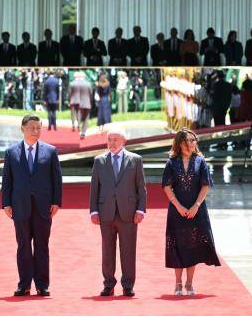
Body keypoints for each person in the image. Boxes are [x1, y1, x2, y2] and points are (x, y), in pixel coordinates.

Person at [2, 114, 62, 297]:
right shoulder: (11, 152)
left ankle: (42, 285)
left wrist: (56, 202)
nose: (35, 131)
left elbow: (56, 179)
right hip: (20, 206)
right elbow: (7, 181)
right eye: (31, 128)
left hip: (43, 207)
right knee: (23, 246)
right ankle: (24, 284)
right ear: (23, 129)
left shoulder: (50, 151)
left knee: (42, 246)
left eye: (38, 128)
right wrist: (6, 203)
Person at [161, 128, 220, 296]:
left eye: (195, 140)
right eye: (190, 140)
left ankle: (189, 283)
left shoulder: (200, 161)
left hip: (197, 210)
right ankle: (178, 283)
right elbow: (166, 186)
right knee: (178, 245)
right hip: (176, 210)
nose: (194, 143)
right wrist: (178, 206)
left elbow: (205, 185)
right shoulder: (172, 162)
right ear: (181, 143)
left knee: (192, 245)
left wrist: (196, 206)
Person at [89, 127, 147, 297]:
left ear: (123, 141)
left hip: (128, 213)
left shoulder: (135, 160)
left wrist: (140, 210)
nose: (112, 143)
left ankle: (128, 285)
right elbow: (94, 188)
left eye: (115, 139)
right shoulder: (99, 161)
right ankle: (108, 284)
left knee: (128, 250)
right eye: (109, 140)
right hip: (105, 211)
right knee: (107, 251)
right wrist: (93, 211)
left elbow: (141, 188)